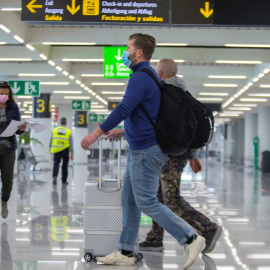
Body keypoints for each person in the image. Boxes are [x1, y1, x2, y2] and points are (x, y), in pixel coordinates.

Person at [81, 33, 205, 269]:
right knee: (130, 201)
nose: (125, 52)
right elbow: (146, 118)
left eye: (128, 48)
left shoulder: (140, 77)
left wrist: (95, 133)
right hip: (141, 149)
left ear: (138, 52)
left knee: (147, 201)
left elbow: (124, 109)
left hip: (146, 152)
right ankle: (126, 251)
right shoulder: (148, 77)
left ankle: (189, 237)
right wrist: (123, 133)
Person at [139, 59, 222, 254]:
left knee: (171, 199)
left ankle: (208, 228)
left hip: (171, 154)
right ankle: (155, 237)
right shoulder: (182, 93)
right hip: (179, 152)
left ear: (159, 73)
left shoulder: (165, 93)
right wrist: (192, 154)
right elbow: (188, 127)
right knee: (158, 197)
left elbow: (159, 125)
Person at [0, 81, 27, 219]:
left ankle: (4, 201)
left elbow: (17, 131)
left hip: (8, 148)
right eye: (1, 93)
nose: (3, 96)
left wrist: (21, 129)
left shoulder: (13, 108)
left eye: (5, 94)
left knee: (7, 179)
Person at [50, 117, 73, 185]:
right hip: (65, 150)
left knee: (56, 163)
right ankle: (64, 180)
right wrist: (72, 152)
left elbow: (51, 140)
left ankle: (54, 176)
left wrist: (50, 149)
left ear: (60, 122)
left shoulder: (55, 130)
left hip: (56, 149)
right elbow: (71, 143)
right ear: (66, 123)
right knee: (65, 165)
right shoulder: (68, 131)